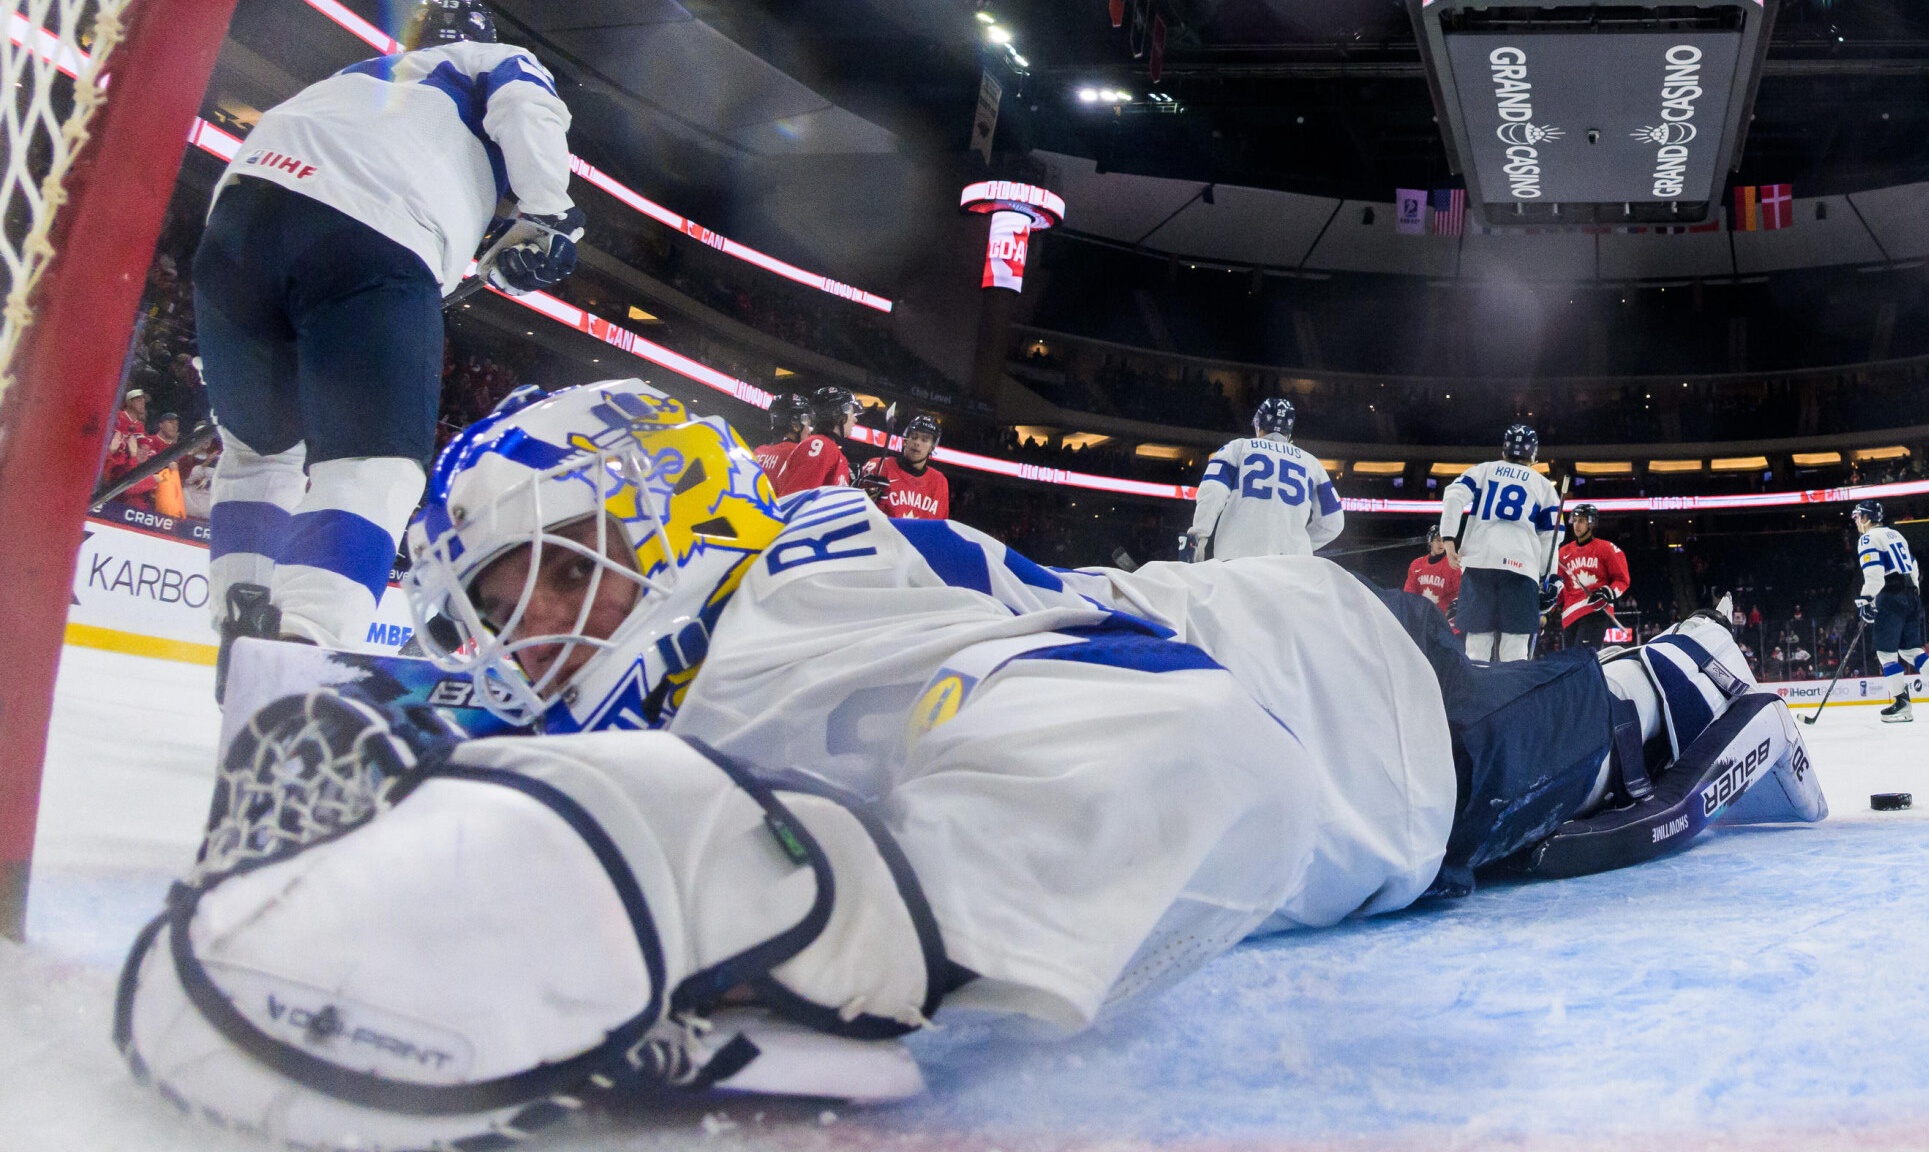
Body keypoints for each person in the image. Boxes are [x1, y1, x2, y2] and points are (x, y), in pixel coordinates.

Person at [121, 382, 1829, 1150]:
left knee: (1612, 724)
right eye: (491, 616)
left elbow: (1189, 750)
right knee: (1563, 705)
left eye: (536, 584)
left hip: (1387, 740)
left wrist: (874, 931)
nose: (514, 648)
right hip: (1314, 643)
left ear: (653, 526)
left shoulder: (770, 647)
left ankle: (1703, 671)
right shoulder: (767, 603)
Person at [195, 0, 581, 666]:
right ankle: (298, 657)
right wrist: (552, 214)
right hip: (370, 232)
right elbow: (523, 100)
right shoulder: (487, 59)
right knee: (372, 468)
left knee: (258, 458)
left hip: (235, 227)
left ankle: (240, 633)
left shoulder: (355, 76)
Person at [1440, 424, 1562, 664]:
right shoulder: (1543, 485)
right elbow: (1551, 535)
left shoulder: (1483, 470)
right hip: (1521, 569)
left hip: (1479, 564)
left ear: (1504, 449)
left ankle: (1478, 689)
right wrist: (1549, 579)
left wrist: (1448, 538)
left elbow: (1453, 495)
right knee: (1514, 652)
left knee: (1476, 648)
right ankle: (1511, 690)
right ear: (1533, 453)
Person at [1180, 397, 1343, 561]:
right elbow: (1333, 522)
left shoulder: (1238, 448)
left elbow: (1213, 491)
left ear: (1258, 423)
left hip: (1238, 558)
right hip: (1289, 566)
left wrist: (1198, 536)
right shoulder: (1311, 463)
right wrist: (1300, 547)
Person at [1851, 500, 1929, 722]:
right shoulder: (1896, 535)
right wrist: (1911, 594)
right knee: (1910, 649)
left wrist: (1865, 600)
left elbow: (1875, 575)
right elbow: (1913, 567)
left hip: (1891, 596)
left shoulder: (1867, 538)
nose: (1856, 521)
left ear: (1867, 518)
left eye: (1858, 516)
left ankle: (1901, 704)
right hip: (1911, 595)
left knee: (1885, 653)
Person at [1556, 504, 1630, 648]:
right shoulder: (1563, 553)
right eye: (1575, 520)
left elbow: (1622, 579)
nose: (1576, 525)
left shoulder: (1606, 548)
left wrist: (1608, 593)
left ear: (1591, 523)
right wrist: (1547, 611)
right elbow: (1559, 586)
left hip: (1595, 610)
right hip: (1569, 616)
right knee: (1571, 659)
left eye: (1581, 521)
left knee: (1583, 657)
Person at [858, 413, 950, 520]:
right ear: (905, 440)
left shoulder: (939, 482)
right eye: (914, 437)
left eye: (924, 440)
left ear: (932, 447)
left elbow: (939, 524)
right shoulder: (879, 466)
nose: (917, 443)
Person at [1402, 525, 1462, 621]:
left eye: (1443, 541)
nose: (1441, 544)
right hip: (1421, 617)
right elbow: (1409, 592)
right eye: (1438, 540)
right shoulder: (1417, 564)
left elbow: (1458, 594)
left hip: (1444, 620)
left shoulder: (1452, 565)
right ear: (1430, 541)